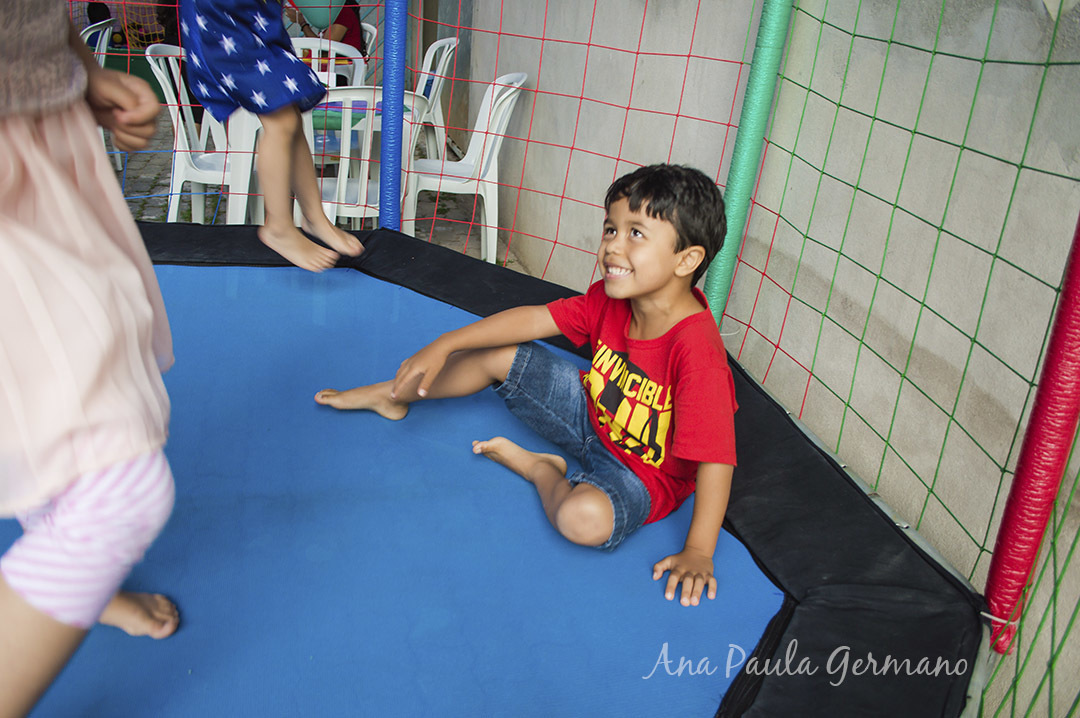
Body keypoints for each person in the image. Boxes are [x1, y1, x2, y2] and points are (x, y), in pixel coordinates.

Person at [315, 164, 738, 607]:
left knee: (582, 520)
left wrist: (698, 550)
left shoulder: (697, 354)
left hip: (641, 473)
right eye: (611, 228)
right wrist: (446, 343)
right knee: (498, 353)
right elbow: (535, 318)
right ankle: (393, 395)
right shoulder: (611, 300)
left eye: (635, 233)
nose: (612, 245)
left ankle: (542, 470)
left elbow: (716, 461)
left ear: (686, 259)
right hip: (589, 414)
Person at [1, 2, 180, 714]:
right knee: (117, 494)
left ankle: (76, 580)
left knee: (40, 402)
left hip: (39, 133)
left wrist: (75, 62)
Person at [181, 0, 363, 272]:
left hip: (254, 14)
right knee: (282, 119)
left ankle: (314, 217)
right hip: (223, 16)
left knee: (290, 110)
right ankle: (278, 226)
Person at [285, 0, 368, 59]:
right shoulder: (336, 13)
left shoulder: (343, 13)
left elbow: (323, 49)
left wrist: (302, 22)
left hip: (340, 67)